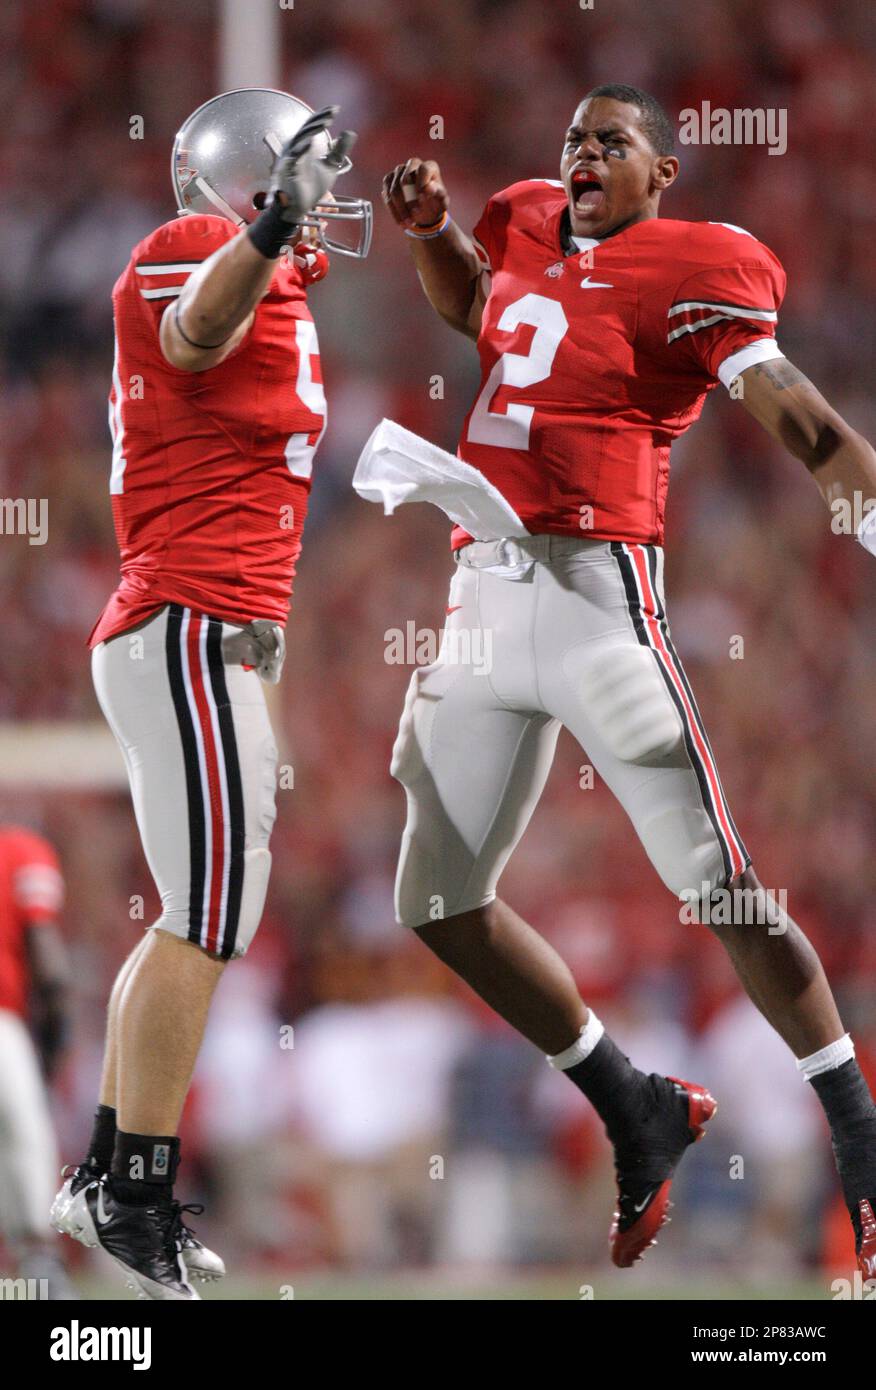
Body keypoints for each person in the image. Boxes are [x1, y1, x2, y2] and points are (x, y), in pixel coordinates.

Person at [380, 83, 876, 1276]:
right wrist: (436, 237)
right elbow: (481, 318)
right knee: (435, 899)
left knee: (720, 886)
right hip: (482, 596)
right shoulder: (526, 224)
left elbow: (802, 421)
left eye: (615, 141)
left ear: (664, 175)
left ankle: (861, 1141)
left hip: (601, 598)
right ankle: (632, 1100)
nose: (586, 154)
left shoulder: (694, 266)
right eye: (575, 139)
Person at [51, 88, 371, 1300]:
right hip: (184, 619)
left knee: (196, 909)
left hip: (204, 626)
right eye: (304, 180)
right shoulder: (190, 248)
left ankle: (110, 1179)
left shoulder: (274, 279)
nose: (328, 203)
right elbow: (189, 330)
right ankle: (132, 1194)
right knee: (214, 915)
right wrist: (268, 229)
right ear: (252, 182)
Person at [0, 824, 76, 1299]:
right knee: (23, 1135)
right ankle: (38, 1265)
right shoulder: (20, 851)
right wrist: (49, 1055)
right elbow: (52, 972)